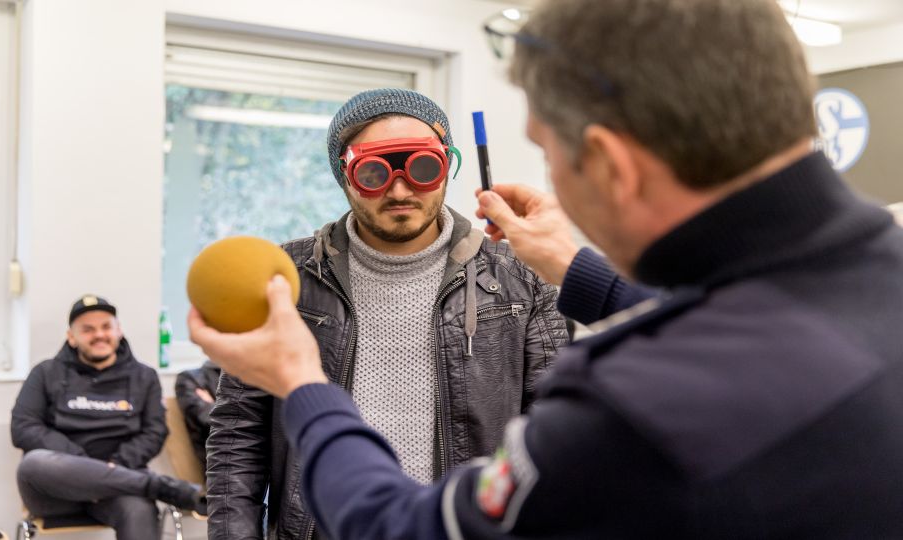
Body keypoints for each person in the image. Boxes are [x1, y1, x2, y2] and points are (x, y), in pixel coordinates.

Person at [191, 0, 903, 537]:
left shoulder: (629, 406)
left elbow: (402, 526)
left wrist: (300, 383)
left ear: (612, 167)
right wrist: (578, 269)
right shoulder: (874, 279)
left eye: (549, 150)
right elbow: (737, 327)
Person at [203, 88, 612, 539]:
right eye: (375, 172)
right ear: (345, 175)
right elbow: (239, 433)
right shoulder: (287, 278)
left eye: (421, 168)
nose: (400, 190)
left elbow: (553, 426)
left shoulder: (522, 277)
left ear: (446, 166)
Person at [11, 295, 206, 540]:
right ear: (71, 337)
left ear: (119, 331)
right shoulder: (45, 372)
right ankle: (156, 486)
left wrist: (115, 467)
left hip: (119, 488)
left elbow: (154, 432)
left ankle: (141, 484)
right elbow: (23, 427)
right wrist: (82, 465)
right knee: (34, 463)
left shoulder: (144, 377)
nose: (99, 335)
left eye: (106, 327)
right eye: (88, 329)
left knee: (139, 510)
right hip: (57, 491)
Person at [174, 359, 221, 468]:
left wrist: (214, 406)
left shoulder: (251, 378)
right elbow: (208, 419)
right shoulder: (190, 378)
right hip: (221, 462)